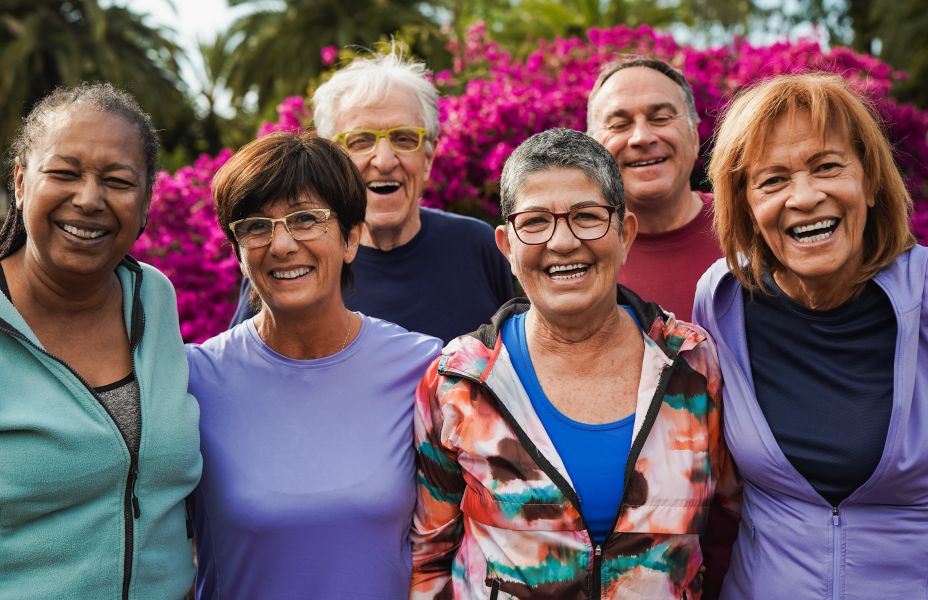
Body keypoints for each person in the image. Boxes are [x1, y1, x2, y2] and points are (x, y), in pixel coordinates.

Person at [411, 128, 739, 599]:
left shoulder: (690, 363)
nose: (562, 242)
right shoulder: (458, 382)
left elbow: (735, 525)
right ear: (506, 246)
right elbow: (428, 560)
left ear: (625, 234)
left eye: (587, 217)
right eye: (536, 222)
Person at [693, 73, 927, 599]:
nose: (804, 197)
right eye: (772, 180)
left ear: (869, 182)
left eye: (827, 167)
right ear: (746, 205)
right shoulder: (724, 297)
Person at [186, 132, 442, 599]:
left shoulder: (423, 367)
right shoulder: (194, 379)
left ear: (351, 238)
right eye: (256, 226)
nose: (281, 244)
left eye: (306, 219)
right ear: (237, 252)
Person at [0, 83, 201, 599]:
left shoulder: (153, 298)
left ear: (146, 202)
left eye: (117, 181)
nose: (89, 199)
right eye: (63, 173)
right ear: (21, 183)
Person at [230, 50, 513, 343]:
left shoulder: (477, 246)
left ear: (428, 156)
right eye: (361, 141)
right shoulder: (291, 264)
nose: (385, 160)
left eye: (404, 138)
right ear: (328, 162)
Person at [587, 56, 720, 320]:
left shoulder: (750, 228)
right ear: (594, 150)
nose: (642, 138)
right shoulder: (576, 251)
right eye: (619, 125)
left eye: (660, 118)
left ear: (694, 138)